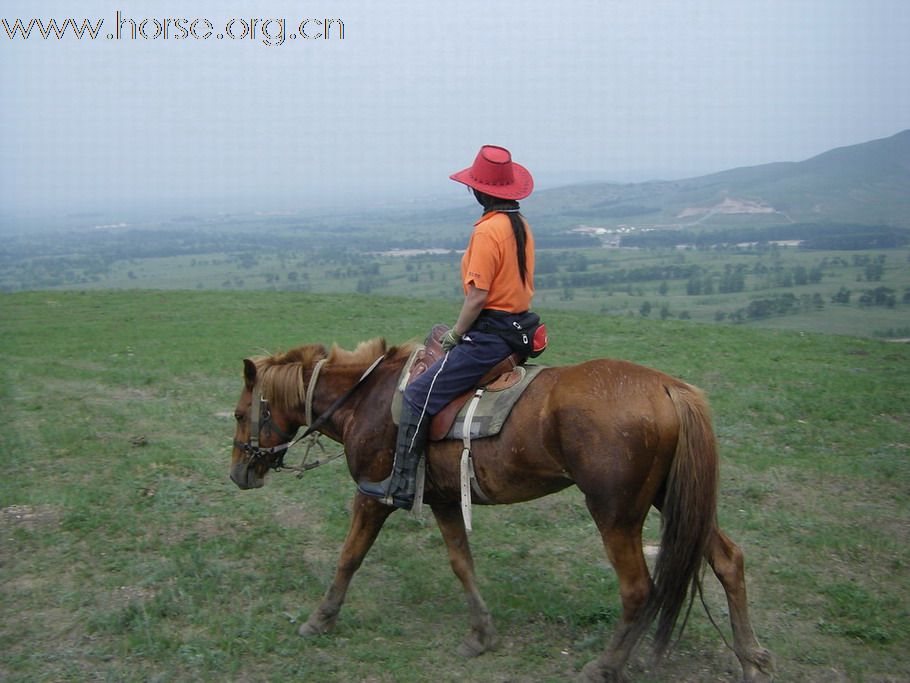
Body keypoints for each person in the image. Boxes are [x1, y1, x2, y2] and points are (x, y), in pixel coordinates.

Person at [359, 145, 536, 509]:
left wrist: (457, 333)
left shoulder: (488, 231)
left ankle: (402, 484)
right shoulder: (519, 224)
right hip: (519, 328)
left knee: (417, 393)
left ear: (479, 191)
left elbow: (477, 297)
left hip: (491, 335)